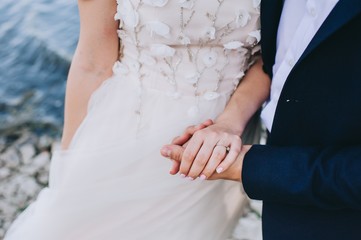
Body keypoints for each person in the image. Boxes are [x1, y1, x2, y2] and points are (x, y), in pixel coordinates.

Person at [5, 0, 270, 239]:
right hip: (126, 126)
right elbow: (92, 63)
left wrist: (231, 121)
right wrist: (68, 161)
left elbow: (278, 59)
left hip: (218, 145)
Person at [163, 0, 361, 239]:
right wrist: (228, 123)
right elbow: (277, 60)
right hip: (282, 211)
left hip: (340, 215)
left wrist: (253, 166)